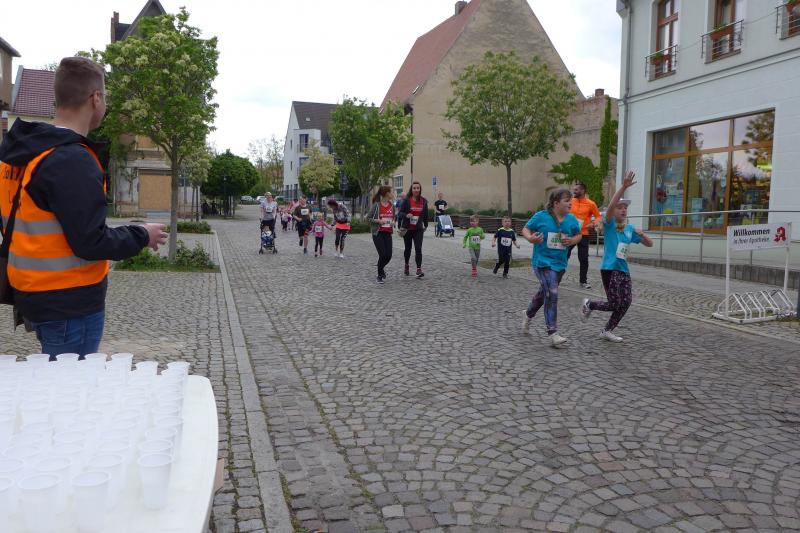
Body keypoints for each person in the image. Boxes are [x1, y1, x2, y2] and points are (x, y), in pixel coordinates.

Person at [0, 56, 167, 358]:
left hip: (33, 294)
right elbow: (90, 241)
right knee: (71, 385)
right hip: (69, 303)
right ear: (96, 98)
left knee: (55, 379)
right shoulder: (72, 159)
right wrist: (142, 234)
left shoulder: (21, 154)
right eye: (105, 98)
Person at [581, 171, 653, 342]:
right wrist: (624, 187)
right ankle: (589, 304)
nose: (623, 210)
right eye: (620, 207)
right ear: (613, 211)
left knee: (626, 302)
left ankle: (606, 330)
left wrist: (642, 234)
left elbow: (650, 244)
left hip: (623, 270)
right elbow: (611, 205)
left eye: (625, 208)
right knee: (613, 303)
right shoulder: (609, 224)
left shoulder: (629, 229)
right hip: (610, 268)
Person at [521, 189, 582, 347]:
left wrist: (572, 241)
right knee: (552, 293)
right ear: (556, 203)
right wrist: (530, 238)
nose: (570, 203)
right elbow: (526, 229)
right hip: (542, 262)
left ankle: (528, 314)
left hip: (559, 264)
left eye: (571, 201)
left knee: (544, 293)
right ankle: (553, 332)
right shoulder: (541, 216)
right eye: (566, 201)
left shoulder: (571, 219)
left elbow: (579, 235)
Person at [568, 182, 601, 289]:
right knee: (564, 255)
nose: (574, 191)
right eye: (574, 189)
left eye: (576, 190)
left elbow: (598, 217)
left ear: (583, 191)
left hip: (583, 234)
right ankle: (556, 277)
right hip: (570, 234)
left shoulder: (591, 204)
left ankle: (583, 281)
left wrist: (593, 223)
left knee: (583, 258)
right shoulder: (570, 201)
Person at [397, 181, 429, 278]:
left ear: (420, 189)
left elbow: (426, 215)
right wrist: (406, 215)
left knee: (418, 248)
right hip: (408, 229)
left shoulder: (423, 201)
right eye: (414, 188)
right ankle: (406, 264)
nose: (416, 190)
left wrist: (426, 225)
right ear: (411, 189)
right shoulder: (406, 201)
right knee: (408, 249)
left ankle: (419, 269)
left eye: (417, 188)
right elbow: (400, 213)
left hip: (418, 229)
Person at [368, 186, 395, 284]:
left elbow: (393, 218)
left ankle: (381, 268)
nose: (393, 194)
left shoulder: (392, 206)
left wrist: (393, 222)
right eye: (392, 192)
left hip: (388, 233)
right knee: (383, 254)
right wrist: (378, 221)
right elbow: (368, 218)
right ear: (387, 193)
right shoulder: (377, 205)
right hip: (378, 233)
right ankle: (379, 275)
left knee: (389, 256)